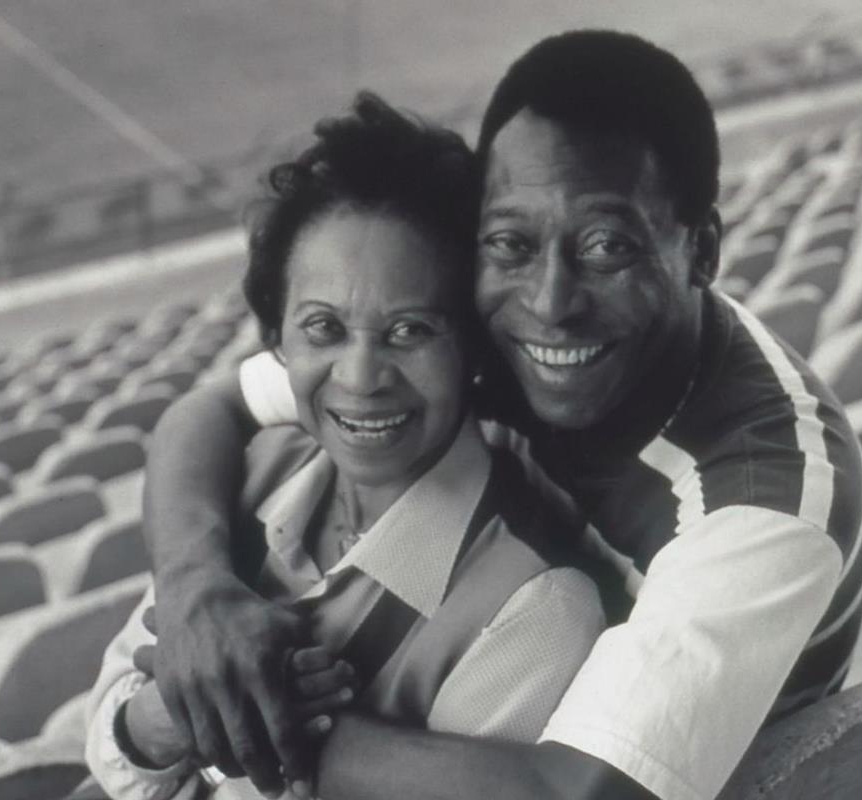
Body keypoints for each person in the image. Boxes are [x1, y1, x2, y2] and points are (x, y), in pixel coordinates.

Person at [141, 30, 862, 800]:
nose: (550, 303)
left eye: (606, 247)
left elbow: (578, 796)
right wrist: (196, 590)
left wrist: (248, 709)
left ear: (702, 250)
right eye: (511, 243)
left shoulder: (765, 500)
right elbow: (215, 406)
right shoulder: (491, 340)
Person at [84, 92, 606, 800]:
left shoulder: (536, 610)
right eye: (324, 328)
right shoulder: (252, 471)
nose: (361, 379)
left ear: (473, 348)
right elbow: (112, 740)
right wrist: (166, 716)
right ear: (278, 340)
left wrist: (257, 716)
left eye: (411, 330)